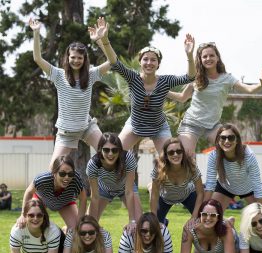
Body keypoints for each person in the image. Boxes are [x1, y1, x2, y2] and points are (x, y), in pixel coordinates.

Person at [90, 17, 196, 153]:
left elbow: (190, 77)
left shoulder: (165, 81)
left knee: (169, 157)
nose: (149, 63)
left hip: (159, 128)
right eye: (145, 59)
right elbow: (115, 62)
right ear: (140, 62)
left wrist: (189, 55)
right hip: (134, 126)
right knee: (115, 153)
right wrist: (104, 40)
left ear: (158, 64)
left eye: (153, 60)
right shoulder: (133, 78)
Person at [29, 18, 111, 167]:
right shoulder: (59, 75)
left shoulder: (91, 74)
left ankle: (113, 189)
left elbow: (112, 61)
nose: (76, 60)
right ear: (67, 57)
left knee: (108, 153)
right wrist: (36, 33)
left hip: (86, 127)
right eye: (73, 57)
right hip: (66, 132)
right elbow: (37, 58)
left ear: (84, 59)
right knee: (53, 168)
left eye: (80, 58)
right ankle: (35, 191)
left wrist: (101, 40)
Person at [167, 42, 262, 155]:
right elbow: (182, 97)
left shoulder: (227, 78)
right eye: (204, 56)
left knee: (231, 150)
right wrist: (164, 91)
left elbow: (248, 89)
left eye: (211, 55)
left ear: (217, 58)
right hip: (191, 124)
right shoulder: (196, 77)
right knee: (186, 156)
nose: (208, 58)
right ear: (200, 60)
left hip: (213, 125)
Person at [204, 123, 262, 215]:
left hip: (249, 188)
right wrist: (203, 209)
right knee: (208, 217)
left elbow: (258, 188)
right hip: (225, 187)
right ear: (218, 140)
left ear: (237, 140)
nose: (227, 141)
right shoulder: (214, 156)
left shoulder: (248, 155)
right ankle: (227, 225)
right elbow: (210, 185)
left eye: (231, 137)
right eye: (223, 138)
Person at [87, 133, 142, 231]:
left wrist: (132, 221)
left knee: (139, 224)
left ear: (120, 150)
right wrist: (94, 223)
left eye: (114, 150)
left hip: (125, 187)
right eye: (106, 150)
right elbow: (95, 197)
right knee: (88, 225)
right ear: (100, 149)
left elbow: (129, 192)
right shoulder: (93, 164)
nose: (110, 154)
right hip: (104, 189)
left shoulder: (127, 158)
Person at [16, 155, 87, 231]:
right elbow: (29, 192)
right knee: (32, 223)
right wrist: (23, 215)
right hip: (41, 200)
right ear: (54, 173)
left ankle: (65, 230)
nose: (67, 177)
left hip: (65, 202)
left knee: (76, 229)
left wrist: (80, 221)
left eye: (70, 174)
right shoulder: (42, 179)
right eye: (62, 174)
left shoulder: (76, 179)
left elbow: (83, 198)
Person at [150, 137, 204, 226]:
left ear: (183, 152)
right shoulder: (159, 169)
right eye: (171, 152)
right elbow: (154, 195)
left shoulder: (191, 166)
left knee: (201, 221)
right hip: (165, 198)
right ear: (166, 155)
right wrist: (154, 218)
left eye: (179, 151)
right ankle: (163, 221)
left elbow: (200, 193)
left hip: (187, 195)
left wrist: (194, 217)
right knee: (154, 225)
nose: (175, 155)